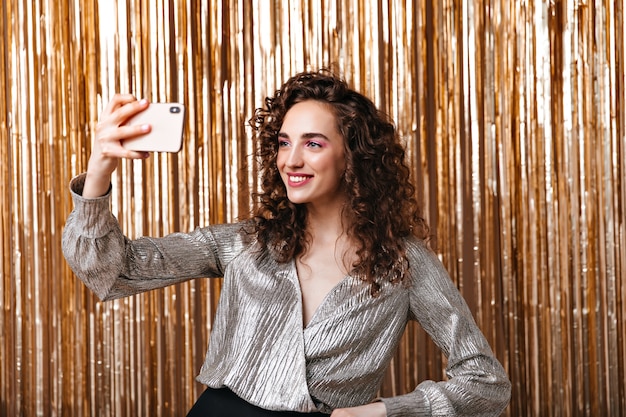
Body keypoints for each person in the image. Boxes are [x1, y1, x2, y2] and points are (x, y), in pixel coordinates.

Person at [62, 70, 511, 416]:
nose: (291, 160)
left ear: (353, 153)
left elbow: (486, 382)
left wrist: (386, 410)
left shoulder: (404, 263)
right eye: (283, 143)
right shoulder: (246, 242)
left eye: (312, 143)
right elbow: (114, 270)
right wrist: (100, 169)